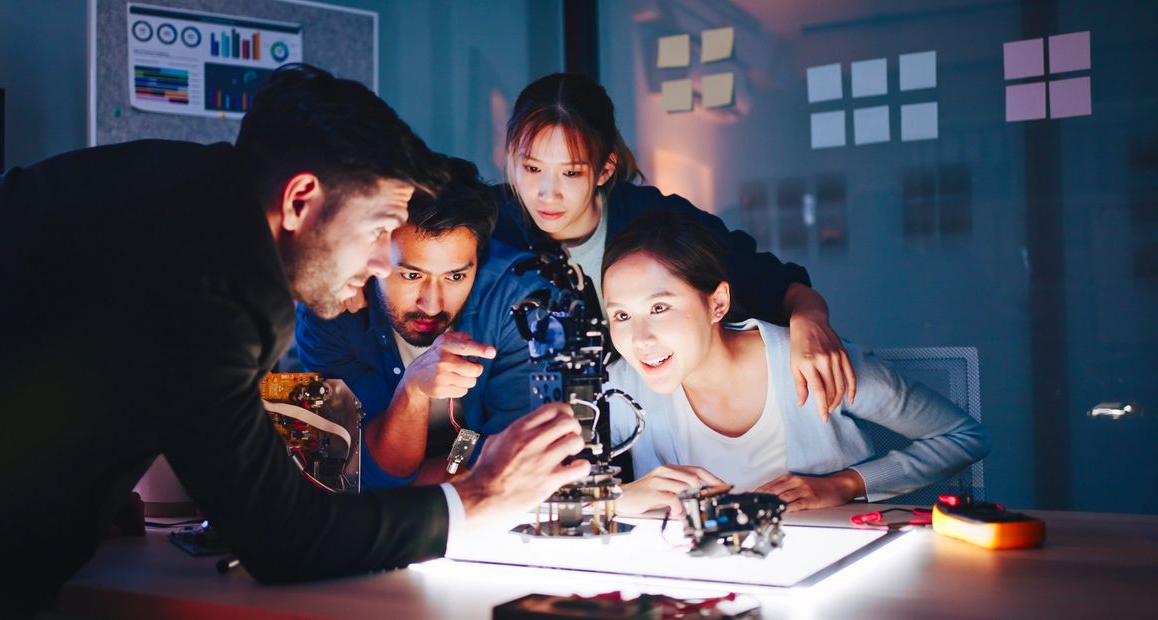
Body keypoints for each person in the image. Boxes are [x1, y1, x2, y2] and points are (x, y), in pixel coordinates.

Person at [0, 64, 588, 617]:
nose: (384, 261)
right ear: (301, 201)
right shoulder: (221, 281)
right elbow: (282, 537)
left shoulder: (177, 194)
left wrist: (86, 484)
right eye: (380, 226)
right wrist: (478, 497)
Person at [494, 72, 856, 422]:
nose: (547, 193)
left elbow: (771, 283)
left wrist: (810, 321)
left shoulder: (655, 221)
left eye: (571, 173)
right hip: (517, 430)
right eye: (532, 168)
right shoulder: (488, 226)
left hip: (643, 425)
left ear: (604, 170)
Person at [601, 211, 991, 515]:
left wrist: (845, 484)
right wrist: (616, 497)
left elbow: (964, 437)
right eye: (621, 315)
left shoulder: (813, 360)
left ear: (717, 303)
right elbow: (566, 494)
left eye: (659, 308)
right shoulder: (621, 384)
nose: (640, 339)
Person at [296, 156, 549, 489]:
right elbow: (358, 469)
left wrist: (443, 474)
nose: (432, 304)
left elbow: (511, 460)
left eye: (455, 276)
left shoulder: (518, 300)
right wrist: (412, 391)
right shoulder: (331, 315)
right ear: (372, 256)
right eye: (412, 275)